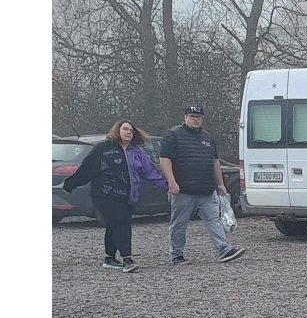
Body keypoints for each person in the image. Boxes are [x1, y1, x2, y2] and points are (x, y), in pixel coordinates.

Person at [60, 119, 170, 273]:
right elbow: (88, 169)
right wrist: (70, 184)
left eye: (131, 130)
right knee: (121, 223)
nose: (128, 132)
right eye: (125, 129)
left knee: (114, 225)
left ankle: (109, 258)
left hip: (129, 196)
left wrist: (168, 186)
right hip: (105, 195)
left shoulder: (137, 152)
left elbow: (151, 172)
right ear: (117, 130)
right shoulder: (103, 149)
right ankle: (127, 259)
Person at [158, 102, 245, 264]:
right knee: (179, 223)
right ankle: (176, 254)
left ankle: (224, 249)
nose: (195, 120)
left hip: (206, 189)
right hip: (183, 190)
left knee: (214, 220)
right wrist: (171, 181)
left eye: (198, 117)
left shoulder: (207, 137)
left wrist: (220, 184)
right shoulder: (173, 135)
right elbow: (165, 159)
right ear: (185, 118)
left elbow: (214, 162)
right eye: (192, 117)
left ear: (202, 119)